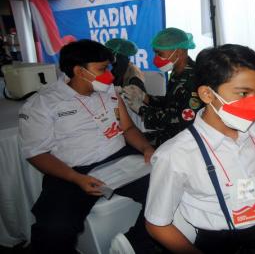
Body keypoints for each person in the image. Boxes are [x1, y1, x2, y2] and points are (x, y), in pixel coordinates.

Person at [144, 44, 255, 254]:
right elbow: (157, 224)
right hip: (221, 244)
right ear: (207, 94)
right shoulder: (176, 155)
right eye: (243, 93)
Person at [18, 39, 159, 254]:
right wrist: (76, 179)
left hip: (120, 158)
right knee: (54, 229)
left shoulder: (108, 91)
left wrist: (146, 149)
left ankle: (132, 245)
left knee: (170, 189)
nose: (110, 75)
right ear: (78, 71)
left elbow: (128, 129)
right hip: (73, 170)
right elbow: (36, 153)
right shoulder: (43, 103)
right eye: (102, 69)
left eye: (109, 68)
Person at [122, 27, 203, 147]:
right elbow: (172, 102)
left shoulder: (194, 79)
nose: (156, 58)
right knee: (127, 140)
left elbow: (183, 119)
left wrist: (142, 110)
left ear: (179, 52)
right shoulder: (177, 72)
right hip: (173, 133)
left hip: (185, 140)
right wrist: (146, 98)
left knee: (132, 143)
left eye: (160, 53)